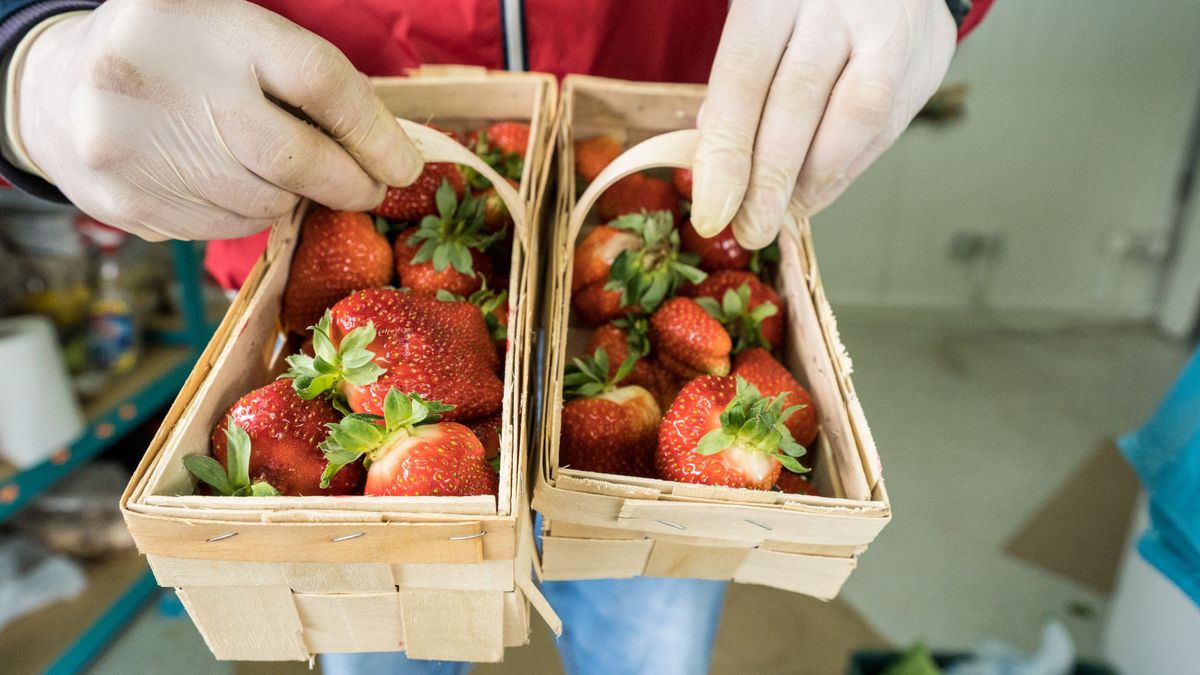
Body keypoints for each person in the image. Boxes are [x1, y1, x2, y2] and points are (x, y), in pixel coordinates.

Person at [0, 1, 991, 673]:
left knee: (649, 640)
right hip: (319, 184)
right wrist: (31, 59)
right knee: (383, 646)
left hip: (675, 167)